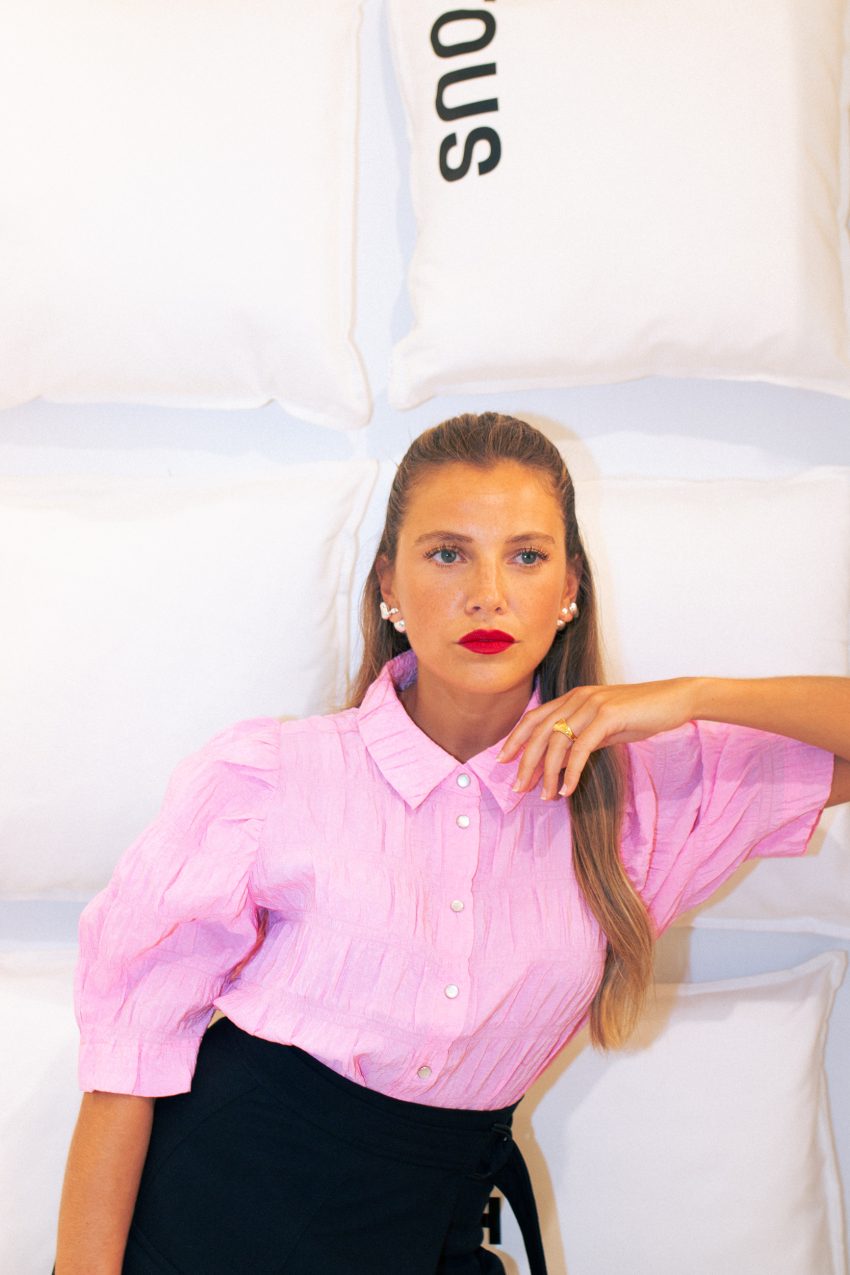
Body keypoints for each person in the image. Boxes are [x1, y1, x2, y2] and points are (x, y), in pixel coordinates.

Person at [54, 412, 850, 1275]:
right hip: (208, 1225)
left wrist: (690, 696)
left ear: (570, 588)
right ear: (388, 584)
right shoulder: (271, 776)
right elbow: (128, 1060)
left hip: (428, 1235)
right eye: (447, 553)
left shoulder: (637, 797)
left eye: (526, 556)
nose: (487, 594)